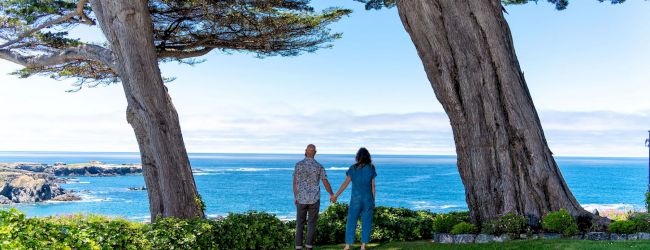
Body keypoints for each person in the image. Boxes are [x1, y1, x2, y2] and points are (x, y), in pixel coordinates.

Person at [331, 147, 377, 250]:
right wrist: (374, 200)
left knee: (351, 221)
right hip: (368, 199)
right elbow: (373, 186)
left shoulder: (353, 168)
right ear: (368, 157)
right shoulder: (371, 168)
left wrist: (336, 195)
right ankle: (363, 246)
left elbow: (345, 184)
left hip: (355, 200)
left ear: (358, 157)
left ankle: (347, 246)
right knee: (366, 222)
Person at [293, 144, 334, 250]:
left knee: (299, 224)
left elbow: (295, 183)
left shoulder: (298, 165)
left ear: (306, 151)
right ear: (315, 153)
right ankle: (309, 247)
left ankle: (298, 247)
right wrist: (332, 194)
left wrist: (296, 196)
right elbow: (325, 182)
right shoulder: (319, 166)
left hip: (301, 199)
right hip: (314, 199)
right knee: (311, 224)